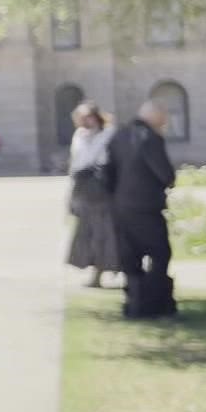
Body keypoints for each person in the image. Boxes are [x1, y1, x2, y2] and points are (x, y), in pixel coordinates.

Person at [105, 99, 178, 319]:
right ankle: (154, 302)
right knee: (160, 254)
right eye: (164, 119)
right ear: (157, 118)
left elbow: (108, 173)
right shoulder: (151, 138)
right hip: (146, 207)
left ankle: (134, 302)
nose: (165, 123)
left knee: (131, 258)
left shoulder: (118, 136)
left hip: (122, 207)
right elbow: (165, 174)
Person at [65, 103, 120, 288]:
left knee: (103, 232)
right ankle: (94, 272)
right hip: (83, 186)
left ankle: (102, 272)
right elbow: (76, 163)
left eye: (88, 117)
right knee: (87, 232)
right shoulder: (80, 136)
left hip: (101, 186)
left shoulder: (108, 134)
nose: (86, 122)